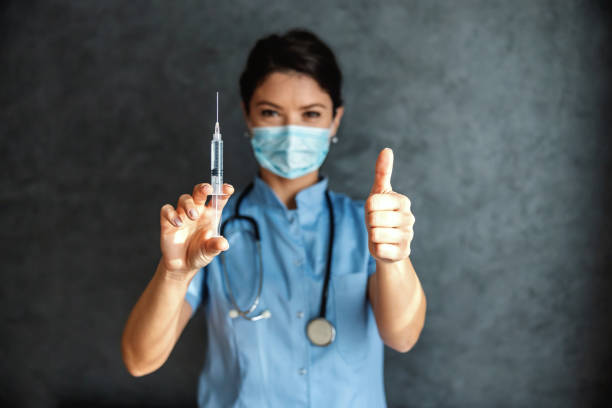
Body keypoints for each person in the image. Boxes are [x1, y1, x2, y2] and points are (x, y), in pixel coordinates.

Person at [121, 28, 426, 407]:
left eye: (311, 114)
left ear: (335, 121)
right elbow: (139, 360)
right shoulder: (210, 230)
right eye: (270, 112)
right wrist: (175, 273)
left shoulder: (366, 226)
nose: (289, 131)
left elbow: (403, 336)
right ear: (247, 117)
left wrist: (394, 259)